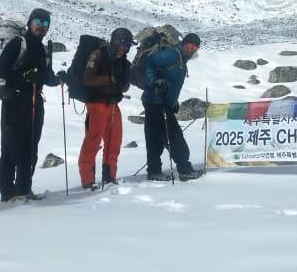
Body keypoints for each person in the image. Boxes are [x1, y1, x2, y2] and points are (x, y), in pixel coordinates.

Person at [0, 8, 59, 202]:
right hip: (15, 100)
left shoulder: (44, 50)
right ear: (30, 23)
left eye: (45, 24)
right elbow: (0, 70)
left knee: (31, 147)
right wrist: (23, 76)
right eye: (38, 22)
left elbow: (46, 77)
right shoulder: (18, 44)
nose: (41, 27)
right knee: (11, 147)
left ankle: (24, 188)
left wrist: (58, 79)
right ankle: (7, 191)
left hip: (35, 101)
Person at [141, 32, 203, 182]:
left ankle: (154, 171)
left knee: (154, 138)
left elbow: (172, 83)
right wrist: (155, 82)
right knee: (174, 136)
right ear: (184, 43)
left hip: (158, 102)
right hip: (156, 101)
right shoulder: (172, 54)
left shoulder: (181, 59)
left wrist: (173, 103)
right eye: (190, 45)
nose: (192, 49)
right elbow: (148, 63)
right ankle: (184, 169)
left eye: (195, 47)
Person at [77, 28, 133, 189]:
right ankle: (88, 180)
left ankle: (110, 176)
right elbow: (88, 78)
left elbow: (123, 86)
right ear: (114, 40)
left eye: (127, 44)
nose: (124, 47)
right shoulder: (98, 54)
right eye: (122, 42)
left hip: (114, 104)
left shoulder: (123, 62)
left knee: (114, 141)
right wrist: (110, 79)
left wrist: (120, 81)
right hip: (97, 104)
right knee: (93, 141)